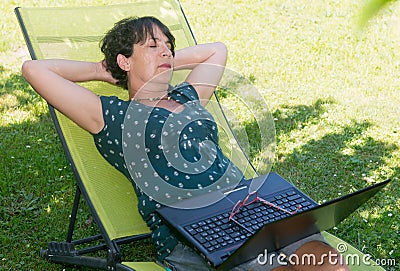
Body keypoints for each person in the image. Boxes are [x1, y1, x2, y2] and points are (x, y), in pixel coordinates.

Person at [21, 16, 349, 271]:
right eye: (152, 46)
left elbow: (216, 49)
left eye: (169, 46)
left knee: (326, 261)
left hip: (252, 206)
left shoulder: (187, 96)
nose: (165, 50)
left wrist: (166, 61)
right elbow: (34, 69)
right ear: (125, 61)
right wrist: (101, 69)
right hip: (195, 233)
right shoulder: (111, 116)